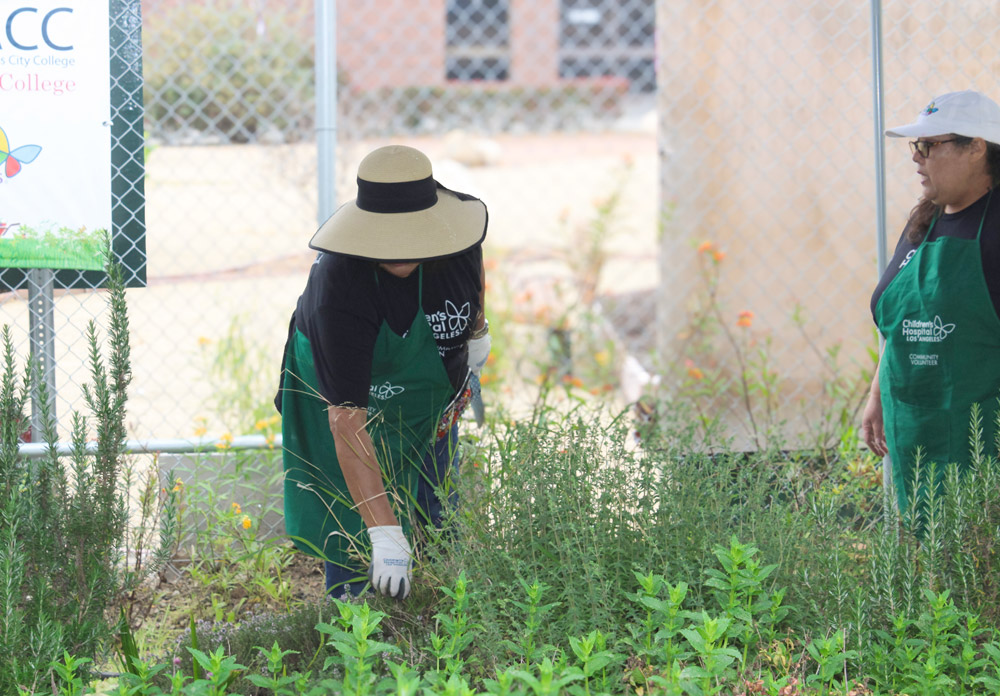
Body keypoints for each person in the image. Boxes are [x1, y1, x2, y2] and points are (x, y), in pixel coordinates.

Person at [275, 145, 490, 599]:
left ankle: (436, 617)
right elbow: (347, 421)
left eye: (411, 234)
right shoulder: (341, 288)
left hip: (426, 393)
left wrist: (477, 331)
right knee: (355, 523)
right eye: (387, 236)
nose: (400, 248)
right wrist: (386, 534)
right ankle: (353, 625)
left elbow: (474, 287)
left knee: (436, 508)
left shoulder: (458, 243)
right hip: (343, 391)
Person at [863, 89, 1000, 516]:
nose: (916, 157)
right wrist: (877, 394)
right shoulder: (926, 218)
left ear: (976, 148)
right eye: (915, 146)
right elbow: (897, 319)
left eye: (928, 145)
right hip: (912, 436)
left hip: (978, 447)